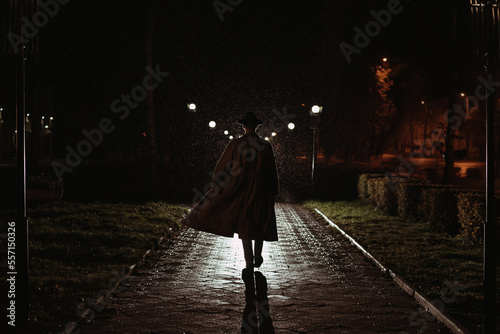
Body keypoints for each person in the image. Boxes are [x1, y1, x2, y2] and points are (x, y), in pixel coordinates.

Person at [184, 112, 279, 269]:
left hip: (242, 189)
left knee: (245, 223)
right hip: (261, 190)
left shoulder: (235, 145)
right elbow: (271, 171)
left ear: (243, 126)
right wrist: (273, 190)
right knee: (259, 221)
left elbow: (222, 167)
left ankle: (249, 262)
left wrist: (217, 185)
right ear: (256, 127)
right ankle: (258, 255)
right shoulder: (265, 146)